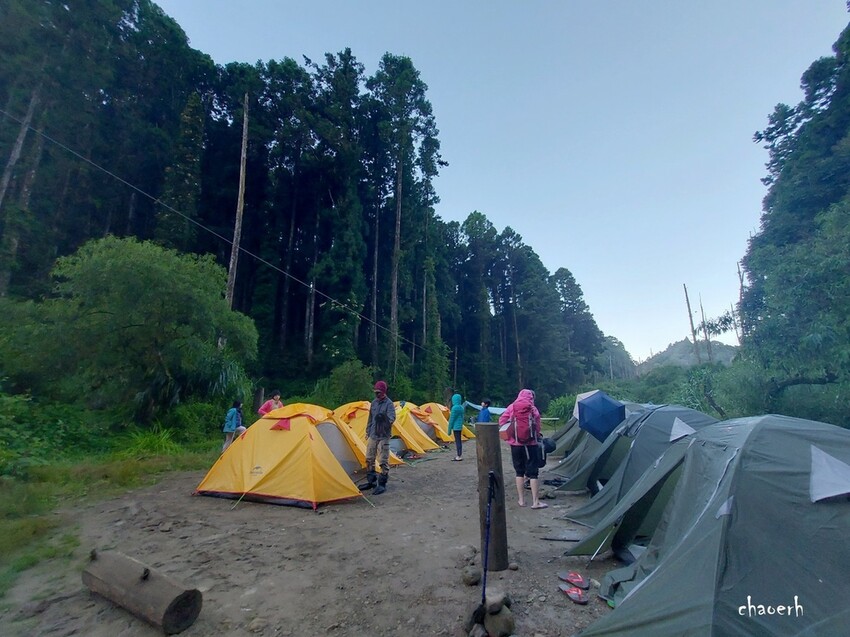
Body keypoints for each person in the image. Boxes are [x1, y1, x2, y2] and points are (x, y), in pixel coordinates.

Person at [499, 389, 547, 509]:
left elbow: (501, 421)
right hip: (531, 444)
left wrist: (511, 431)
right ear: (531, 397)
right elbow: (537, 428)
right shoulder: (533, 409)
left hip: (515, 444)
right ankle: (535, 502)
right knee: (533, 473)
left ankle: (521, 500)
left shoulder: (512, 407)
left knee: (519, 472)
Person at [359, 380, 396, 495]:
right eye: (375, 392)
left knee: (383, 460)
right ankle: (372, 482)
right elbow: (370, 418)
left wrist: (384, 420)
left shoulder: (389, 404)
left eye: (378, 392)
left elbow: (392, 418)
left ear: (384, 392)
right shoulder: (374, 403)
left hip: (383, 435)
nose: (376, 394)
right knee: (369, 458)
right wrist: (368, 431)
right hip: (373, 434)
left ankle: (382, 484)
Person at [447, 393, 465, 461]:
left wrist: (449, 430)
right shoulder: (461, 407)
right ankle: (460, 454)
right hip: (459, 426)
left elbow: (452, 419)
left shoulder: (454, 408)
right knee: (459, 441)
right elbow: (462, 418)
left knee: (457, 441)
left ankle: (458, 456)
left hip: (455, 427)